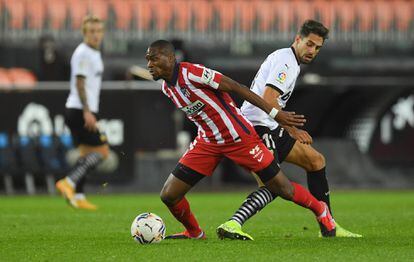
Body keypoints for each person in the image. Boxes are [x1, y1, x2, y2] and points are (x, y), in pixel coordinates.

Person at [146, 39, 336, 240]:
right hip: (208, 142)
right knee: (169, 194)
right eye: (147, 60)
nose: (149, 65)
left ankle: (320, 209)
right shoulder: (167, 88)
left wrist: (274, 113)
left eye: (154, 59)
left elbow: (237, 87)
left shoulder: (192, 73)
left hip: (239, 137)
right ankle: (195, 233)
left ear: (171, 58)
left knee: (283, 188)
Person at [217, 20, 362, 239]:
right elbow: (268, 98)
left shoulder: (290, 61)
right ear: (297, 39)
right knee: (276, 184)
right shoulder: (286, 62)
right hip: (256, 126)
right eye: (310, 44)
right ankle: (232, 224)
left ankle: (328, 226)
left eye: (318, 48)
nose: (313, 51)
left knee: (316, 161)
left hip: (269, 125)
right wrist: (290, 127)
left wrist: (284, 127)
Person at [55, 15, 108, 210]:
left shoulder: (92, 53)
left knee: (85, 154)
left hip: (79, 109)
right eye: (91, 31)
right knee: (102, 152)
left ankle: (78, 196)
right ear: (84, 33)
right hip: (80, 110)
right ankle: (68, 182)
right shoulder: (84, 53)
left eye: (98, 31)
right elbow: (79, 82)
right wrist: (87, 111)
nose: (96, 35)